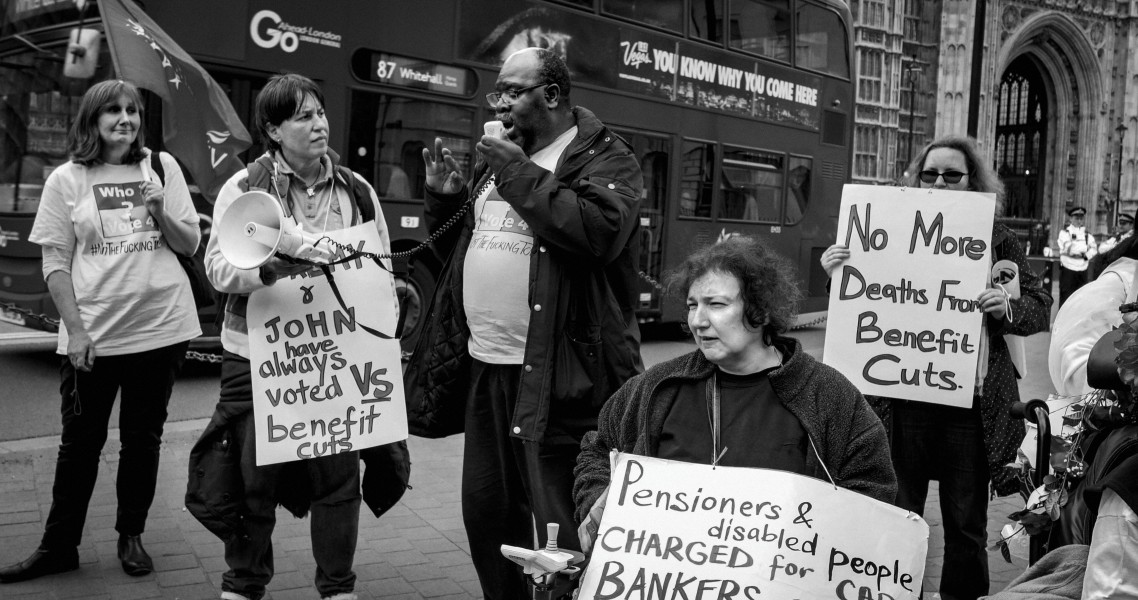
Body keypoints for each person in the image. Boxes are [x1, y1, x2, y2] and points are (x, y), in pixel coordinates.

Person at [407, 47, 643, 600]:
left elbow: (596, 232)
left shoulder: (606, 159)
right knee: (488, 517)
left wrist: (512, 168)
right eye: (499, 92)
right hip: (489, 373)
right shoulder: (502, 165)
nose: (502, 102)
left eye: (514, 91)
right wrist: (444, 203)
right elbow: (463, 260)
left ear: (553, 96)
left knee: (562, 530)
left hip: (560, 381)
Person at [820, 135, 1053, 600]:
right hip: (901, 403)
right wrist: (837, 274)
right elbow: (866, 304)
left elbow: (1039, 308)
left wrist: (1005, 304)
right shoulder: (886, 221)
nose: (940, 182)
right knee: (896, 516)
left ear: (973, 182)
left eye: (953, 175)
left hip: (968, 409)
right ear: (917, 178)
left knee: (965, 527)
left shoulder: (997, 236)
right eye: (930, 174)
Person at [573, 235, 896, 551]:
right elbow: (599, 451)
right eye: (692, 305)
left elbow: (871, 490)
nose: (698, 321)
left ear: (761, 309)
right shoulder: (656, 387)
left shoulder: (828, 395)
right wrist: (599, 501)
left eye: (716, 304)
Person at [199, 73, 394, 600]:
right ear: (273, 128)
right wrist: (267, 273)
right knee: (252, 482)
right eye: (303, 116)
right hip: (258, 358)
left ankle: (337, 587)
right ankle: (243, 584)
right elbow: (217, 267)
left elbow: (379, 267)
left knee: (338, 481)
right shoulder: (244, 189)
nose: (320, 124)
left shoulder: (359, 190)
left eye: (321, 113)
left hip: (334, 359)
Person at [0, 80, 201, 583]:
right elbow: (55, 261)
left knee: (143, 440)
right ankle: (58, 546)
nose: (125, 119)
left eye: (132, 110)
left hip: (161, 329)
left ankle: (130, 536)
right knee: (79, 446)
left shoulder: (162, 168)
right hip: (95, 335)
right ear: (93, 119)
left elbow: (190, 244)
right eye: (113, 110)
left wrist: (158, 208)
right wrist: (78, 331)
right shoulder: (66, 180)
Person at [1057, 205, 1096, 306]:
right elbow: (1068, 248)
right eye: (1076, 218)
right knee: (1066, 296)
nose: (1079, 221)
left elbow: (1094, 249)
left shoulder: (1087, 235)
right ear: (1071, 218)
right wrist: (1080, 249)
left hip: (1082, 267)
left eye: (1081, 218)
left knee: (1080, 298)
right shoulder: (1064, 233)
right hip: (1068, 266)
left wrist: (1085, 256)